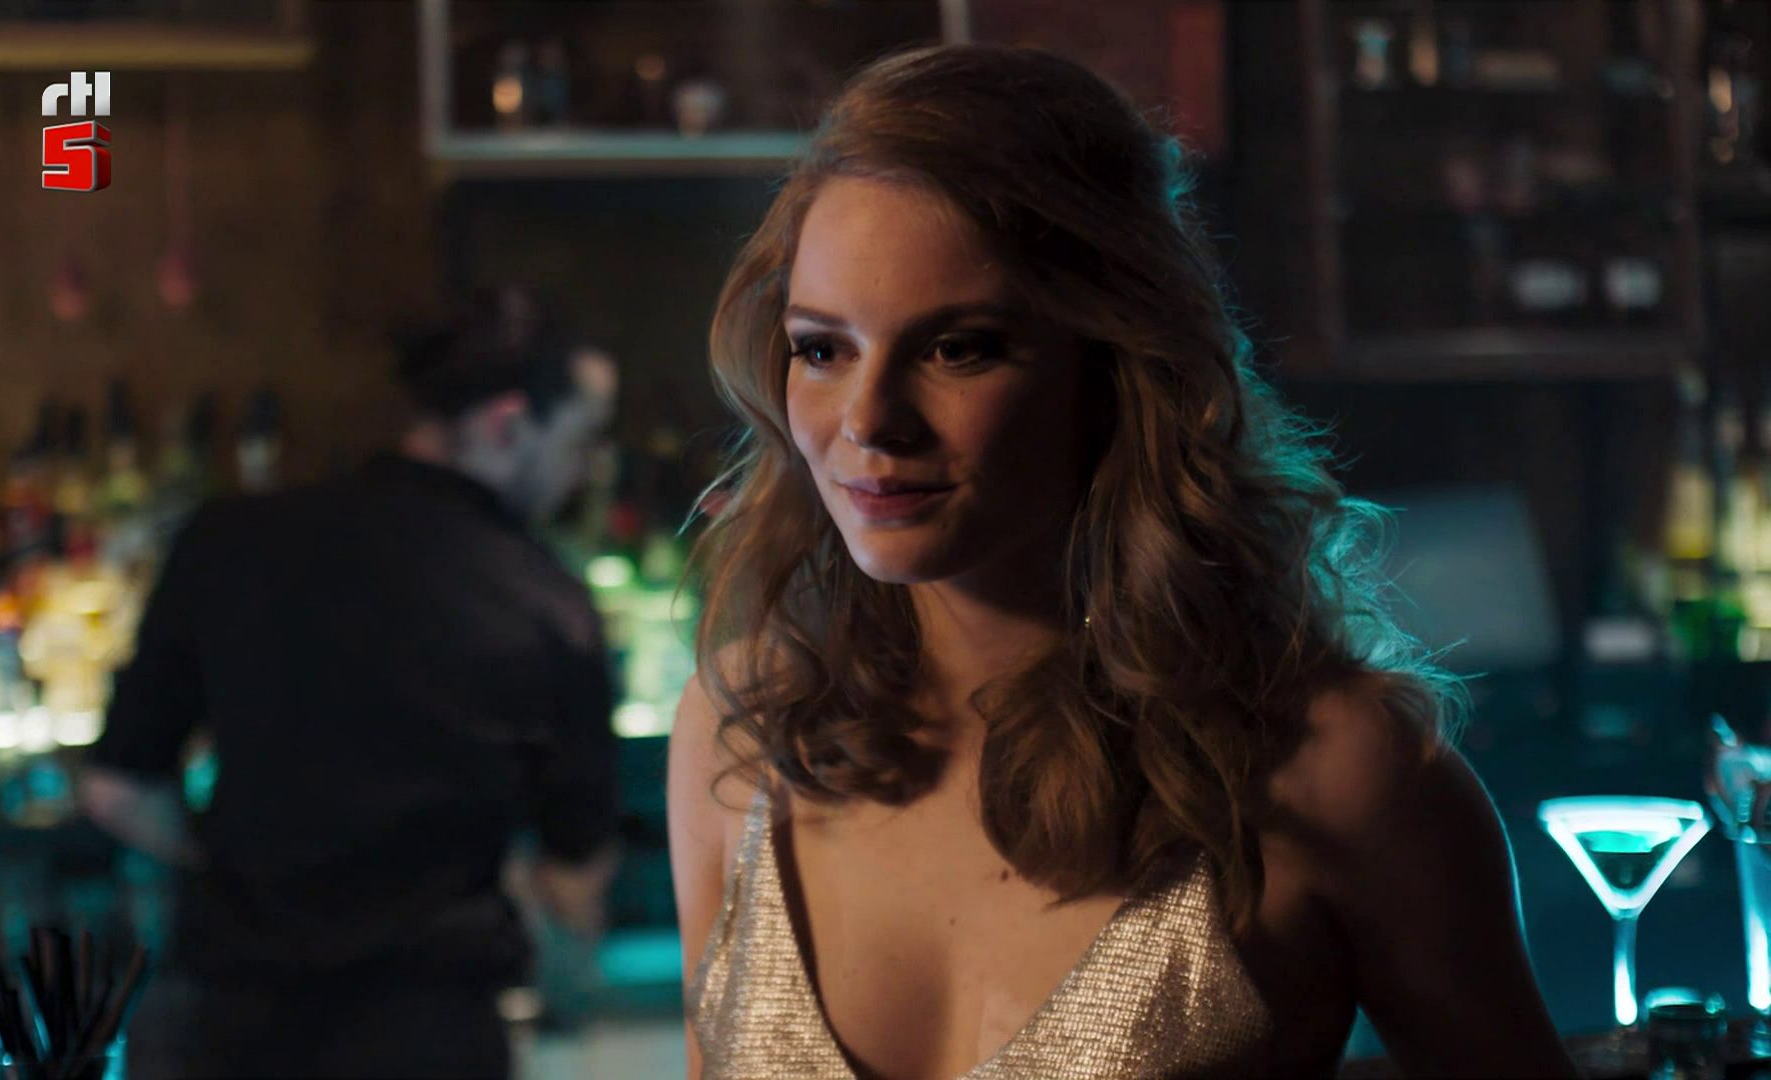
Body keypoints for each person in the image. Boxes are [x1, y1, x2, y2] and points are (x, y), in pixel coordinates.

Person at [669, 44, 1578, 1079]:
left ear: (1113, 365)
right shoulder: (737, 738)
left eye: (959, 347)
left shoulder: (1332, 774)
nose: (869, 421)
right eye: (823, 349)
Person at [81, 285, 624, 1079]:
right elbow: (576, 883)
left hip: (234, 1034)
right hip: (435, 1041)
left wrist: (235, 858)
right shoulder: (550, 605)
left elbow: (117, 792)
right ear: (507, 424)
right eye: (580, 441)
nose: (584, 470)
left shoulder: (229, 543)